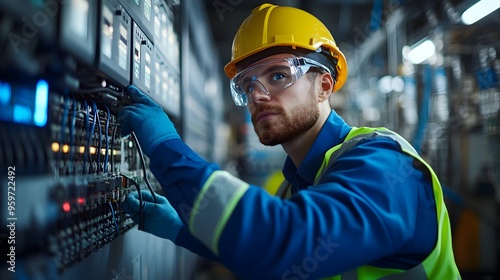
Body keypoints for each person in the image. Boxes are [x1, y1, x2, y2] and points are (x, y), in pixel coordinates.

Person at [119, 3, 461, 279]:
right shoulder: (293, 187)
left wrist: (165, 147)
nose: (259, 96)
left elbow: (285, 246)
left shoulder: (384, 164)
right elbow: (267, 257)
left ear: (324, 86)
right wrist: (184, 232)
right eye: (247, 85)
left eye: (278, 75)